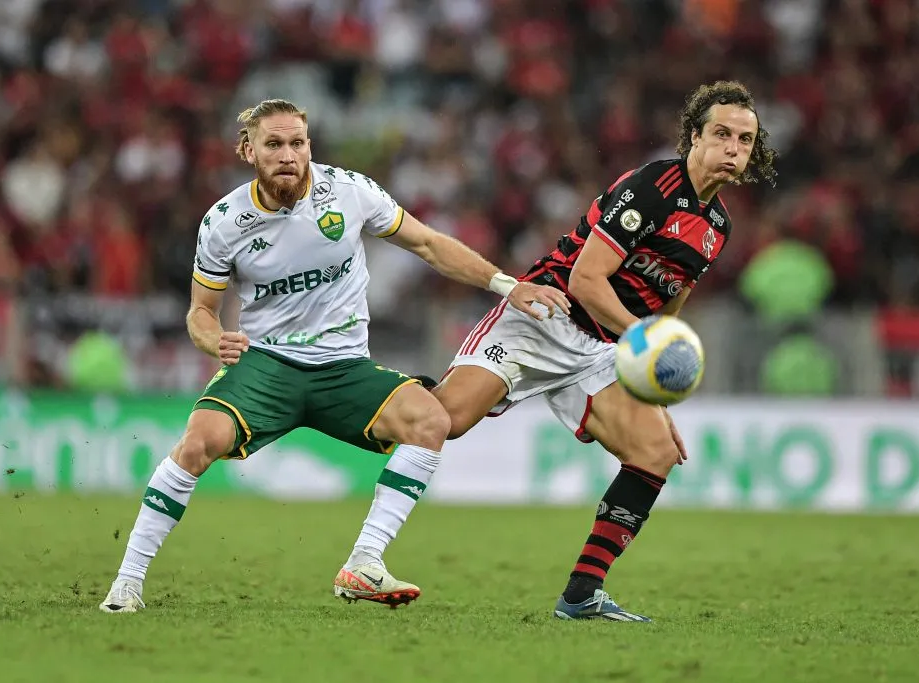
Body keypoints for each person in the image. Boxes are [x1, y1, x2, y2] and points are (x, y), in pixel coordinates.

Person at [99, 99, 569, 613]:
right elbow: (200, 312)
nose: (287, 154)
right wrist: (214, 340)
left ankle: (364, 562)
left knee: (430, 419)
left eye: (297, 143)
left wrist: (507, 285)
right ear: (248, 150)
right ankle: (127, 583)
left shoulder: (348, 191)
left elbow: (429, 244)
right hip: (267, 365)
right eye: (273, 144)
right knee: (197, 443)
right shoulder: (224, 223)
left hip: (344, 367)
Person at [430, 81, 778, 621]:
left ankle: (581, 595)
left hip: (601, 347)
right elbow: (589, 280)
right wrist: (643, 339)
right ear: (694, 136)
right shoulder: (651, 187)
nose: (734, 148)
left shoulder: (717, 229)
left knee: (656, 452)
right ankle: (347, 388)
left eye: (746, 140)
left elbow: (666, 313)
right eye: (722, 134)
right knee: (444, 421)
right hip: (548, 315)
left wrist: (653, 390)